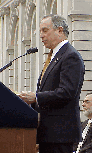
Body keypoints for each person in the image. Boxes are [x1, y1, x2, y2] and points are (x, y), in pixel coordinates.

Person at [19, 14, 85, 153]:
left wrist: (36, 97)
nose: (41, 36)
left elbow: (67, 92)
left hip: (60, 134)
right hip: (48, 133)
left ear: (59, 30)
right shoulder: (54, 55)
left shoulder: (70, 56)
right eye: (40, 31)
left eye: (45, 30)